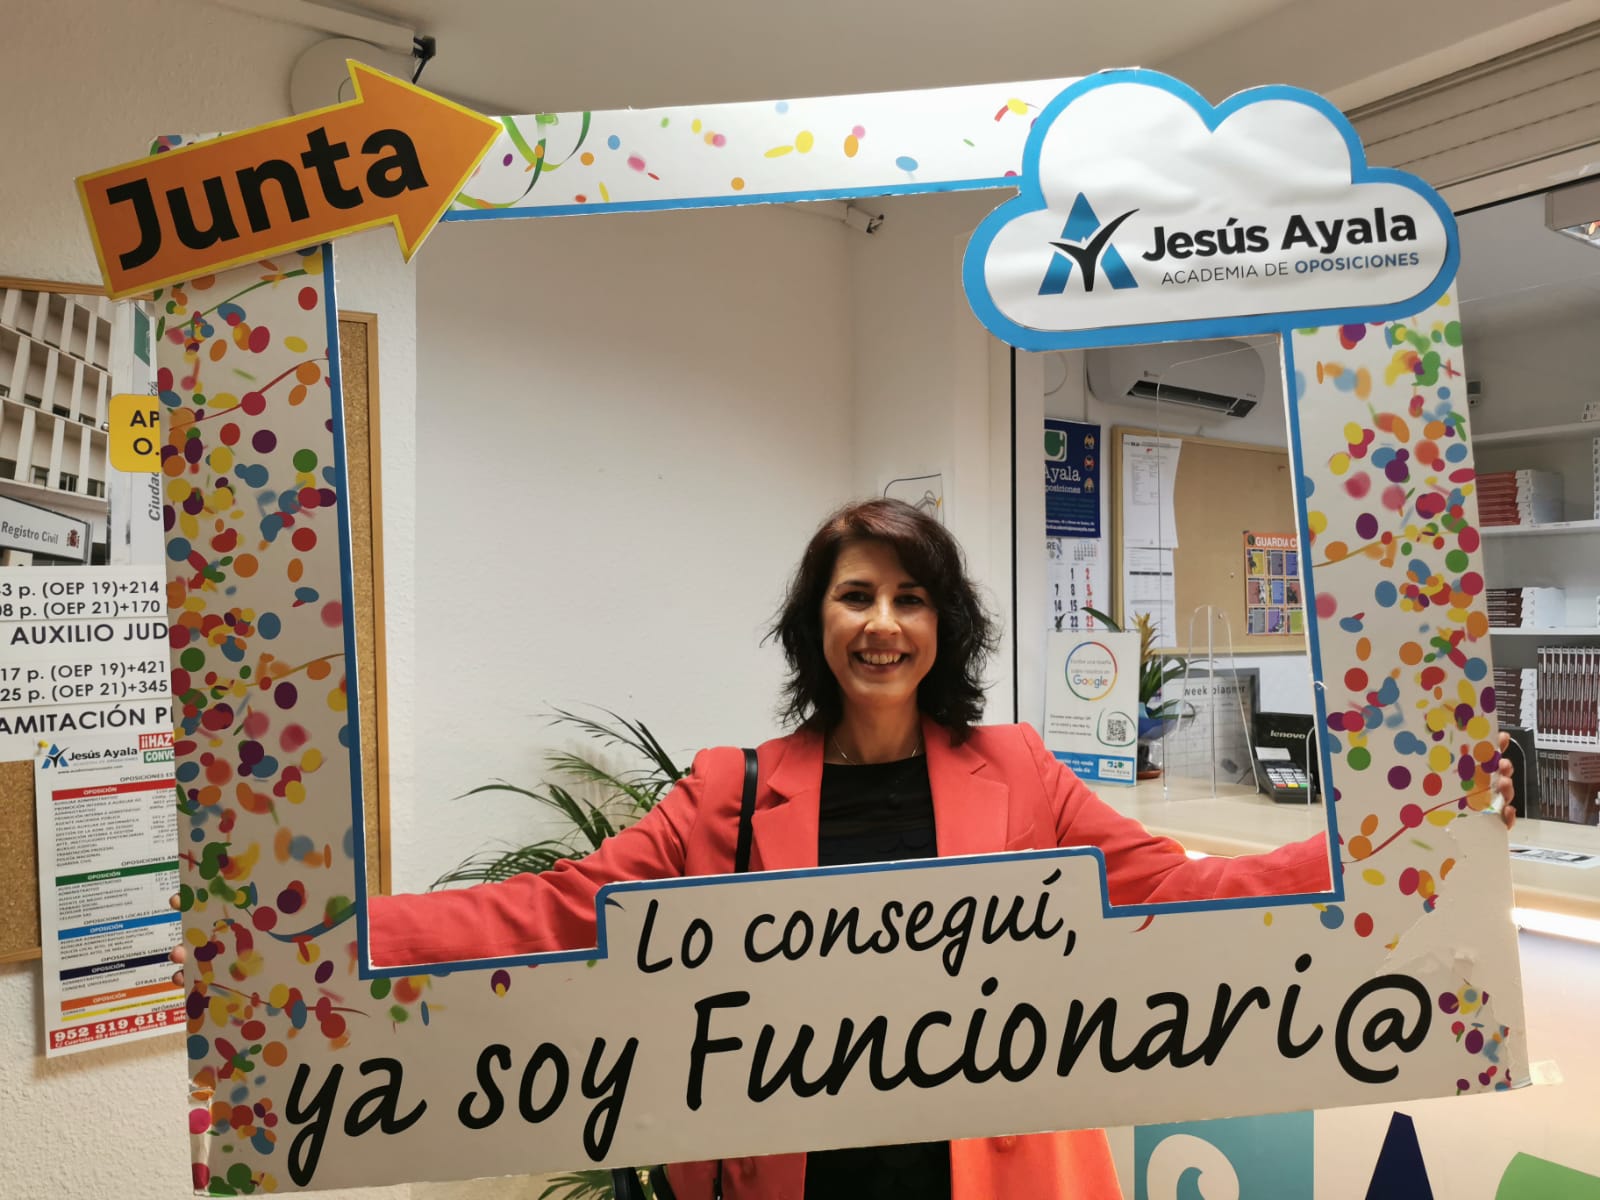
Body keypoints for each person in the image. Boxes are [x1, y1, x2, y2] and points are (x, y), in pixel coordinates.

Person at [175, 498, 1515, 1200]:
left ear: (944, 627)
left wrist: (1400, 846)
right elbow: (560, 913)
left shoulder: (1020, 773)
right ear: (815, 626)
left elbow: (1183, 894)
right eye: (856, 595)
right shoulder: (731, 792)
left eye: (910, 598)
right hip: (796, 1181)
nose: (883, 622)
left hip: (997, 1176)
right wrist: (331, 939)